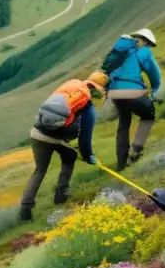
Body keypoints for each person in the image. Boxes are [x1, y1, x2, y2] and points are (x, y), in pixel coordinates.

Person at [19, 71, 108, 221]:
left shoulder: (70, 84)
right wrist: (88, 156)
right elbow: (84, 138)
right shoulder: (87, 105)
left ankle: (25, 208)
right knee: (70, 157)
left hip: (37, 132)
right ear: (95, 90)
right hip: (57, 137)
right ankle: (61, 195)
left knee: (40, 170)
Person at [106, 29, 162, 170]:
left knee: (124, 123)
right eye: (148, 44)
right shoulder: (143, 51)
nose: (148, 47)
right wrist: (155, 90)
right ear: (143, 41)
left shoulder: (120, 51)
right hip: (132, 91)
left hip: (114, 93)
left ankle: (121, 164)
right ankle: (136, 151)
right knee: (148, 115)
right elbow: (154, 74)